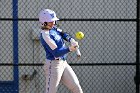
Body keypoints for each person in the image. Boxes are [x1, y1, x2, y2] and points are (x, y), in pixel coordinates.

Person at [39, 9, 83, 93]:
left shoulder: (53, 28)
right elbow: (56, 53)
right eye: (51, 21)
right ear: (44, 22)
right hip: (53, 65)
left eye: (54, 21)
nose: (53, 23)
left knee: (76, 87)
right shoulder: (45, 35)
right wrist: (70, 49)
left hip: (63, 63)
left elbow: (63, 33)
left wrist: (71, 39)